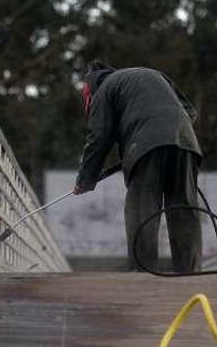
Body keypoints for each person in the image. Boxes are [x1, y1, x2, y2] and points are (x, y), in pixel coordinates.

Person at [73, 61, 203, 272]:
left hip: (145, 144)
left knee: (142, 208)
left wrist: (85, 180)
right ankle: (190, 272)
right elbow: (190, 111)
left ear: (90, 90)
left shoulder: (104, 90)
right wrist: (166, 131)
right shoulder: (152, 74)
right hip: (185, 140)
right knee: (183, 207)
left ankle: (143, 272)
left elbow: (98, 137)